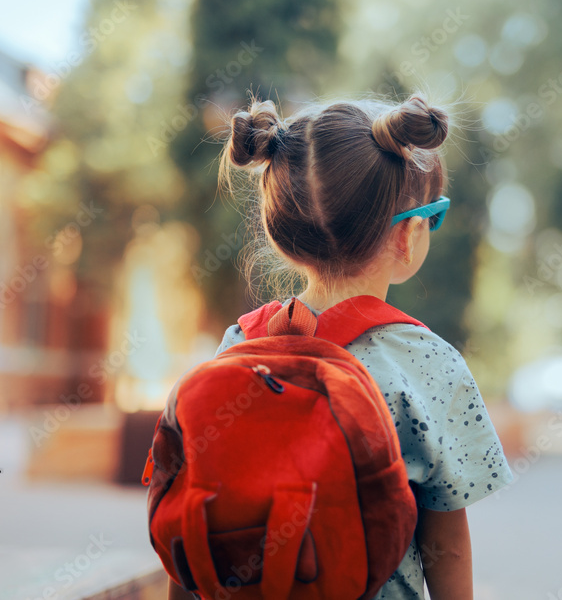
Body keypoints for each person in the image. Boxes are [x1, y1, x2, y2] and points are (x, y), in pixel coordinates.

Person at [168, 94, 512, 600]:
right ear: (409, 234)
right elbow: (447, 543)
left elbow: (193, 507)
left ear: (280, 233)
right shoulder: (429, 363)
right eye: (431, 217)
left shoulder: (238, 343)